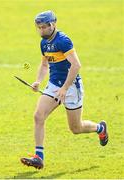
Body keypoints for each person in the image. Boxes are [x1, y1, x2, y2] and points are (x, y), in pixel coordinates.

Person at [21, 10, 108, 169]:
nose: (40, 30)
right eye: (38, 27)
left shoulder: (63, 41)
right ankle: (38, 157)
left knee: (76, 128)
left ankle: (100, 128)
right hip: (54, 85)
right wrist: (38, 81)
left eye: (43, 27)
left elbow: (76, 65)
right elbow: (44, 64)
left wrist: (65, 88)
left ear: (52, 25)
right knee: (38, 116)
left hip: (72, 86)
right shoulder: (43, 43)